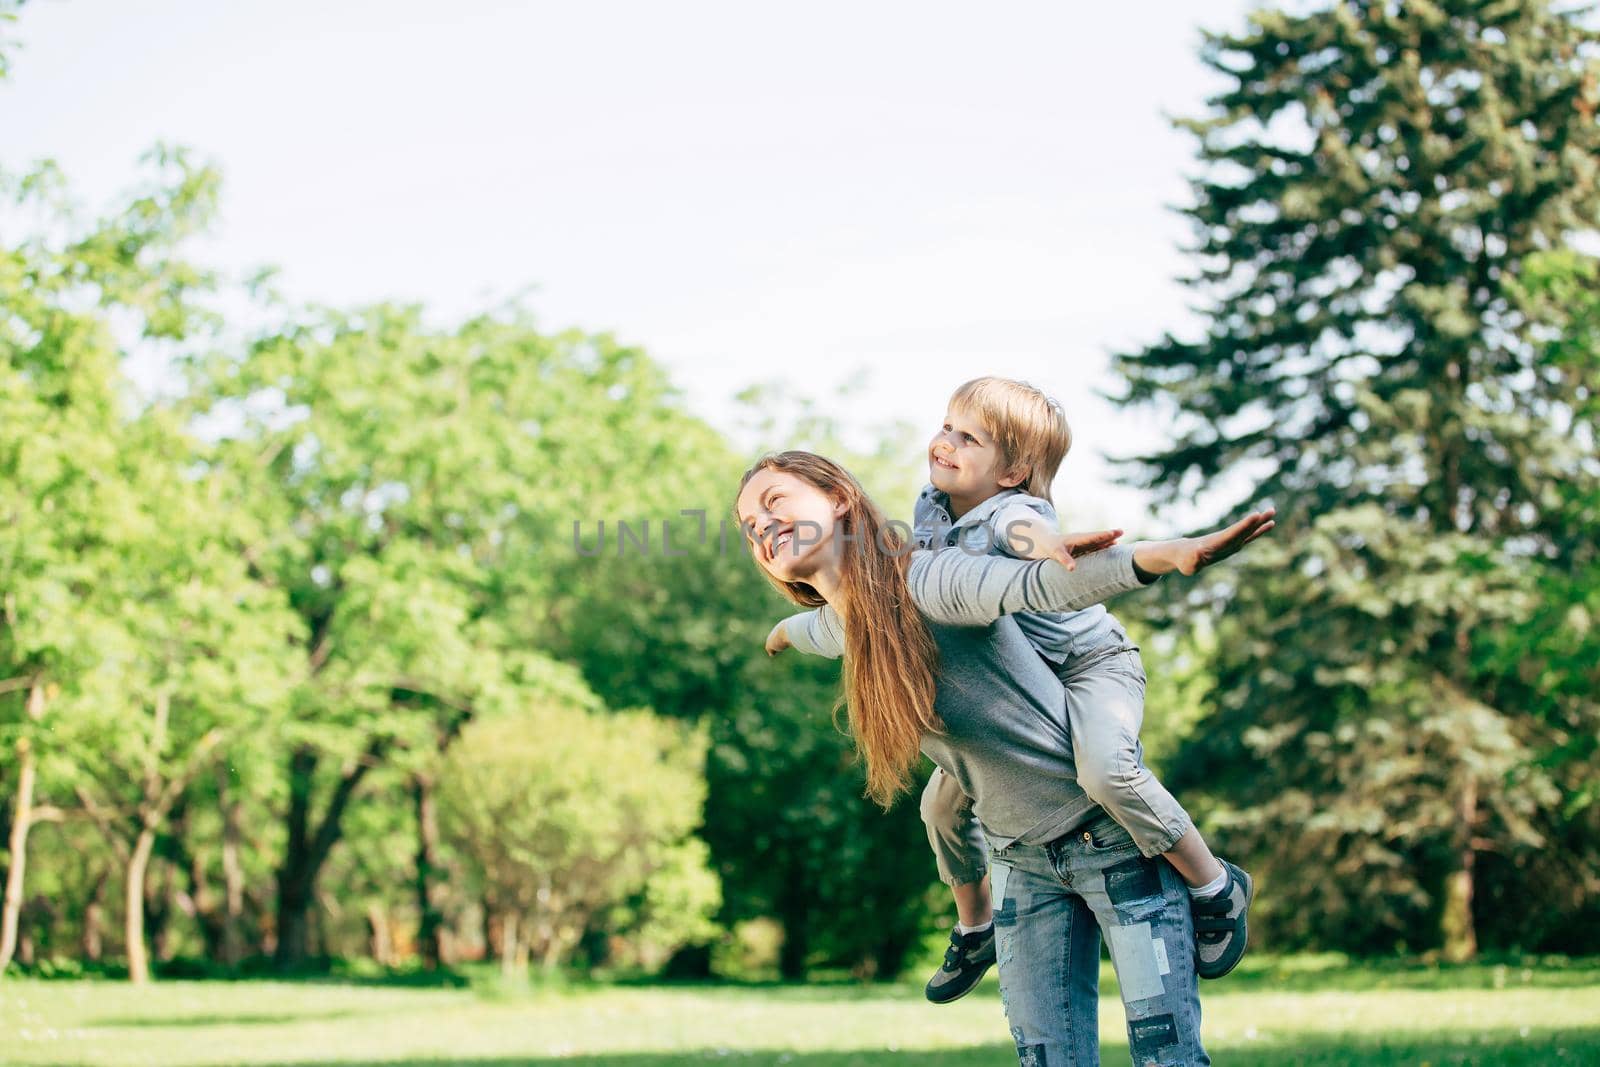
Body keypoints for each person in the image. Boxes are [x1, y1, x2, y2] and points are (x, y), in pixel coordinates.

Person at [735, 450, 1273, 1066]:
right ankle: (975, 927)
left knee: (1166, 1059)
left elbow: (1043, 583)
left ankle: (1219, 888)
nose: (760, 526)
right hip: (1020, 862)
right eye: (748, 524)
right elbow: (808, 632)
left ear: (837, 498)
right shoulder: (842, 626)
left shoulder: (929, 579)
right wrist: (779, 634)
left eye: (774, 502)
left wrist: (1163, 556)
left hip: (1118, 844)